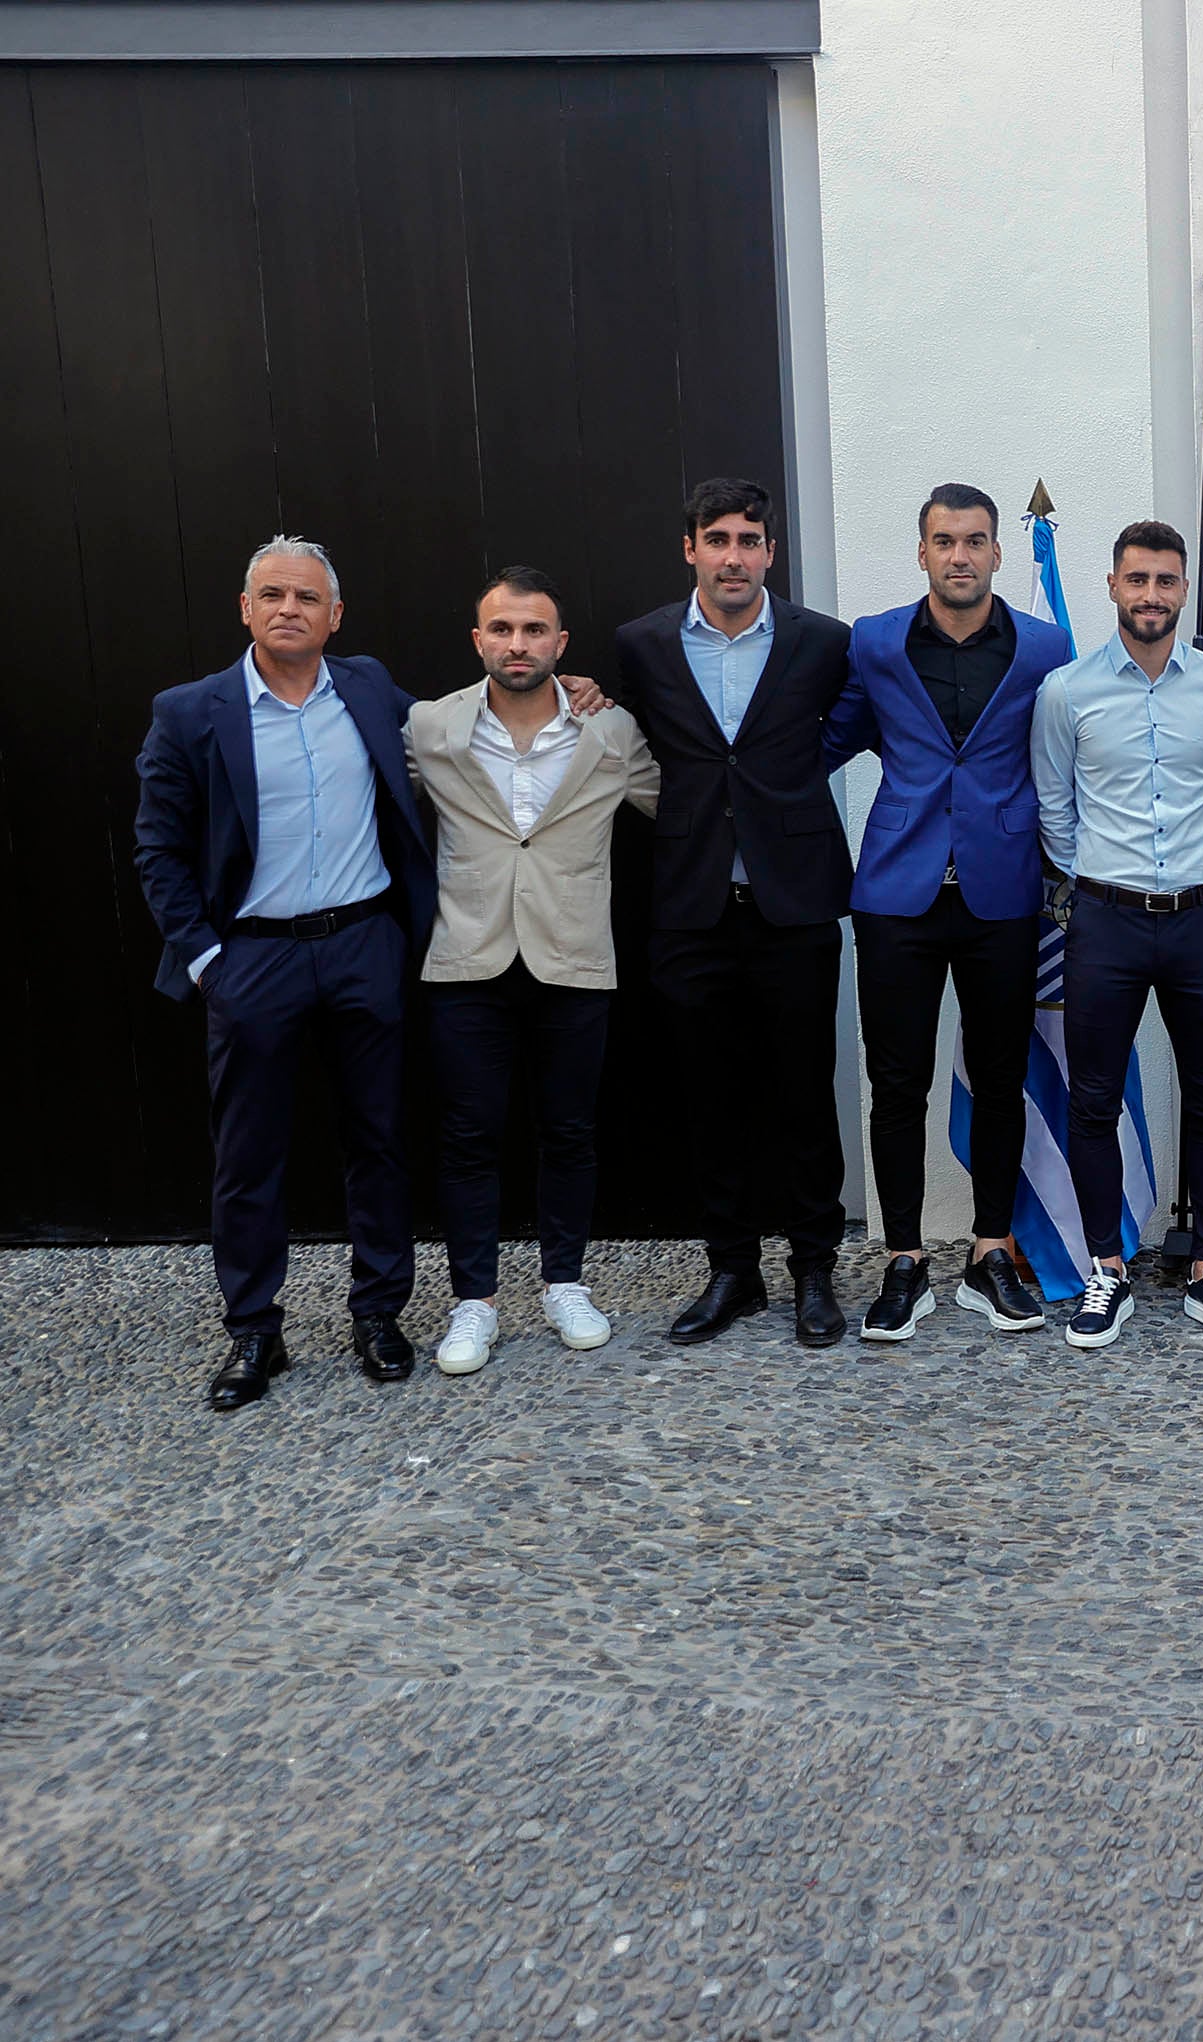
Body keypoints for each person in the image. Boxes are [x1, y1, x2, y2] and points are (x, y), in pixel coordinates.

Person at [133, 536, 436, 1410]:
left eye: (307, 597)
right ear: (245, 608)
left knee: (378, 1139)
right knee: (249, 1153)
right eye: (272, 594)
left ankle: (379, 1313)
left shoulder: (371, 689)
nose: (289, 609)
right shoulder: (191, 713)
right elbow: (158, 848)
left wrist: (572, 689)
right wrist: (205, 961)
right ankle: (254, 1332)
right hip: (251, 958)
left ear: (334, 616)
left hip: (363, 946)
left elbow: (470, 722)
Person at [610, 478, 857, 1350]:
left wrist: (782, 782)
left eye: (750, 540)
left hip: (793, 903)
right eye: (717, 539)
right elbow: (618, 732)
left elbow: (855, 720)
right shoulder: (640, 645)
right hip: (689, 902)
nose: (734, 556)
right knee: (710, 1093)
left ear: (770, 552)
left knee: (804, 1092)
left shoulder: (822, 643)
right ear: (690, 550)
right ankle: (732, 1270)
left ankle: (815, 1272)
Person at [825, 483, 1075, 1344]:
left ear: (1000, 553)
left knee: (1001, 1079)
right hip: (898, 891)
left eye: (975, 541)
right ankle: (902, 1261)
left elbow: (1071, 748)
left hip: (1005, 893)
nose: (960, 555)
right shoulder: (877, 644)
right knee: (897, 1083)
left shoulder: (1046, 648)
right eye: (944, 541)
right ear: (922, 551)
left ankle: (989, 1253)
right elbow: (830, 736)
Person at [406, 566, 658, 1374]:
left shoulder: (610, 734)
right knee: (469, 1136)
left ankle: (564, 1283)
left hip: (574, 953)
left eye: (534, 630)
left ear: (560, 643)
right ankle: (473, 1302)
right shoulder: (429, 729)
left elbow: (685, 802)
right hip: (467, 955)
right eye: (503, 630)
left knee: (571, 1131)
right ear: (479, 639)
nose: (519, 644)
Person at [1032, 519, 1203, 1349]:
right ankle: (1107, 1270)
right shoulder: (1066, 692)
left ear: (1183, 588)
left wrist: (1200, 876)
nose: (1152, 596)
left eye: (1167, 582)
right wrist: (1109, 880)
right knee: (1092, 1098)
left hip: (1202, 920)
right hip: (1104, 920)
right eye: (1138, 580)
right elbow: (1054, 813)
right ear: (1112, 585)